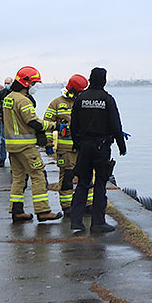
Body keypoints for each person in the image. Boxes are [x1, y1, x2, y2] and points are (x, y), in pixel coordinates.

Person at [2, 66, 63, 222]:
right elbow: (33, 122)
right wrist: (54, 126)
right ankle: (43, 211)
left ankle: (17, 211)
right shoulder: (23, 100)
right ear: (26, 83)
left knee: (19, 178)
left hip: (12, 146)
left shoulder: (9, 97)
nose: (34, 87)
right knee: (39, 175)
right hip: (25, 146)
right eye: (33, 83)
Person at [70, 67, 127, 233]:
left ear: (89, 79)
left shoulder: (81, 98)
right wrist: (121, 146)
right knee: (100, 183)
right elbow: (116, 125)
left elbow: (74, 124)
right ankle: (98, 222)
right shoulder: (107, 99)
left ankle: (76, 221)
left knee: (82, 183)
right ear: (104, 81)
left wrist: (77, 143)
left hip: (84, 146)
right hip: (102, 147)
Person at [44, 74, 90, 216]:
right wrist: (48, 143)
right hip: (66, 149)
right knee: (67, 178)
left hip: (83, 147)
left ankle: (89, 205)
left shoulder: (84, 102)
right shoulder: (56, 103)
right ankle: (67, 207)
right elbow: (47, 124)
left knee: (88, 177)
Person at [0, 76, 13, 167]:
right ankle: (2, 159)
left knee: (13, 140)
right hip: (4, 118)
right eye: (5, 83)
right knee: (3, 140)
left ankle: (13, 160)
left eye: (8, 83)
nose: (6, 85)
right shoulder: (1, 93)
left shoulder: (14, 93)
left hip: (13, 120)